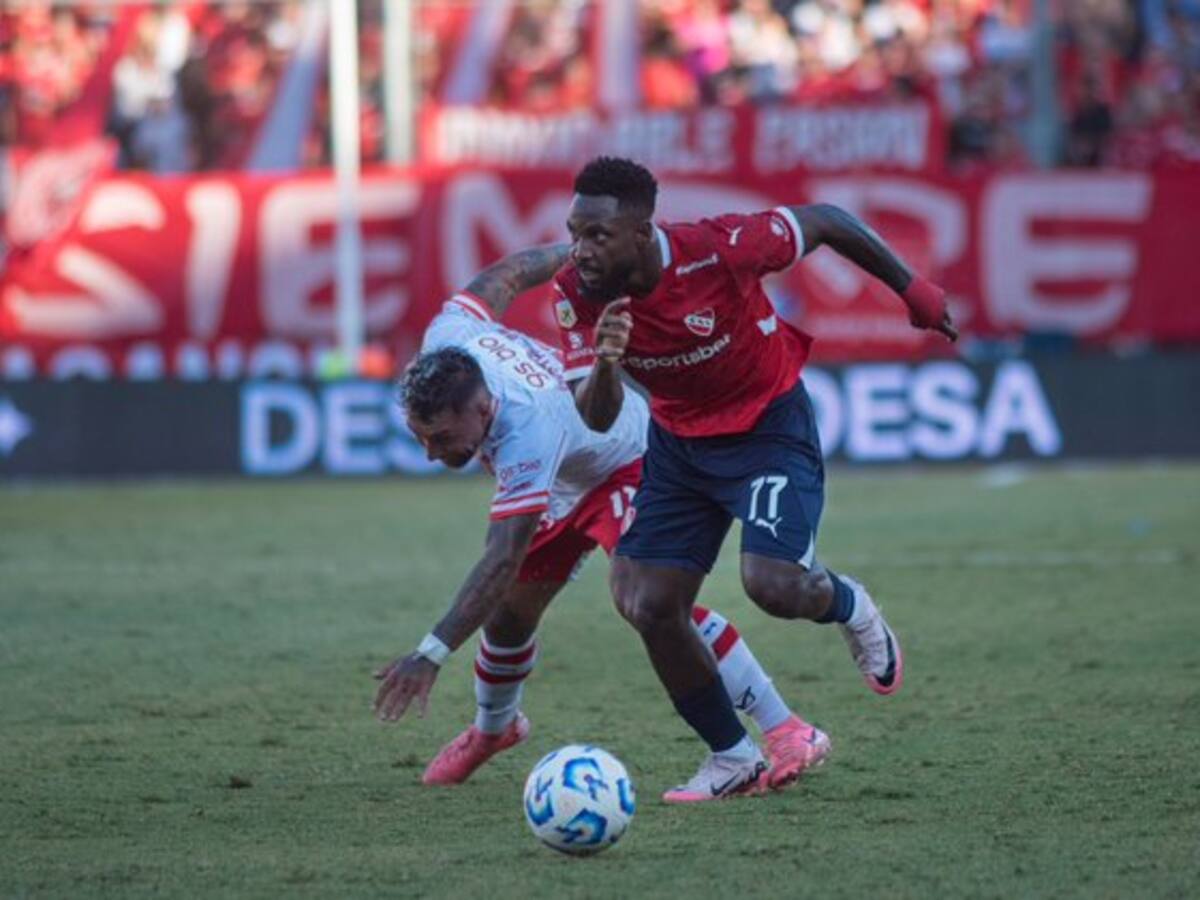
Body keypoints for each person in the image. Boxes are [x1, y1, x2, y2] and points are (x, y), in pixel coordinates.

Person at [552, 156, 957, 803]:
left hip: (766, 429)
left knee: (774, 586)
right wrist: (606, 360)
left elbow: (827, 221)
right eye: (575, 233)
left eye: (597, 235)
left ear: (641, 231)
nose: (581, 250)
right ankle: (733, 757)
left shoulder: (721, 248)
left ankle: (849, 604)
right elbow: (596, 417)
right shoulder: (577, 292)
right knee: (645, 602)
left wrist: (912, 290)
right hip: (679, 446)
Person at [372, 245, 830, 794]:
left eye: (442, 438)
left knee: (652, 602)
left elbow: (501, 556)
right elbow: (507, 274)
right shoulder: (448, 336)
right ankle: (494, 730)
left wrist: (431, 652)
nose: (430, 453)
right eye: (420, 436)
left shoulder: (525, 426)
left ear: (484, 408)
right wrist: (574, 255)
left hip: (629, 461)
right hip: (564, 477)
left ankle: (785, 729)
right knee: (509, 614)